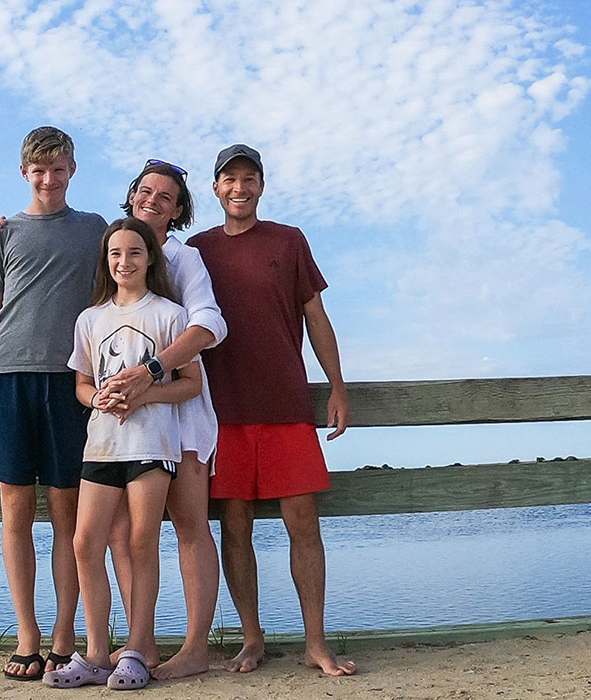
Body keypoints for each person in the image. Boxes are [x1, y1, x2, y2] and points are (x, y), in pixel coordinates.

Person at [0, 160, 226, 679]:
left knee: (183, 527)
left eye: (166, 196)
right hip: (109, 435)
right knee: (108, 535)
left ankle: (189, 647)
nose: (152, 201)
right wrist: (4, 230)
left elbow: (210, 325)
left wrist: (149, 377)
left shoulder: (184, 263)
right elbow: (54, 243)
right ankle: (121, 647)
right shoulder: (102, 249)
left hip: (173, 423)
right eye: (145, 191)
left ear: (179, 209)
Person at [186, 144, 356, 676]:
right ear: (216, 188)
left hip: (286, 404)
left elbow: (316, 317)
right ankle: (252, 639)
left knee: (303, 522)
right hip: (221, 410)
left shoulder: (289, 240)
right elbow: (132, 253)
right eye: (229, 179)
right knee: (234, 525)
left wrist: (338, 387)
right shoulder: (196, 250)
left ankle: (315, 642)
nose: (239, 188)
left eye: (249, 178)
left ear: (261, 186)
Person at [0, 126, 107, 681]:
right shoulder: (3, 233)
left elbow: (117, 281)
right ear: (24, 172)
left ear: (73, 169)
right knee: (15, 508)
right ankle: (27, 634)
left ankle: (64, 634)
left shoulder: (95, 229)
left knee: (67, 512)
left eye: (58, 168)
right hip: (7, 379)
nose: (49, 179)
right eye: (39, 170)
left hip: (71, 383)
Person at [45, 217, 202, 689]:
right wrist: (99, 398)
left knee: (140, 542)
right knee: (84, 542)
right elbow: (81, 383)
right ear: (105, 261)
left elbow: (191, 384)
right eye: (115, 253)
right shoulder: (90, 319)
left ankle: (136, 650)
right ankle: (95, 653)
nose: (124, 262)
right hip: (102, 445)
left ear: (150, 258)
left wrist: (146, 394)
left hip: (152, 445)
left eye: (134, 252)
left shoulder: (171, 315)